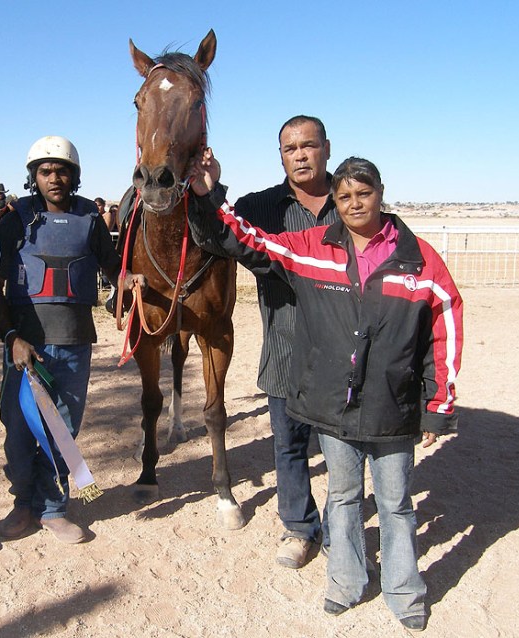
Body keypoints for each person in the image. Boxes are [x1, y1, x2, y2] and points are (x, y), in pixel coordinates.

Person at [187, 153, 463, 632]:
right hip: (335, 404)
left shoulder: (418, 260)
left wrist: (438, 406)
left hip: (392, 405)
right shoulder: (313, 248)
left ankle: (404, 591)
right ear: (335, 202)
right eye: (345, 196)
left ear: (380, 193)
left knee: (396, 502)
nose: (355, 204)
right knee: (343, 494)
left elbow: (445, 328)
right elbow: (248, 241)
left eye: (364, 193)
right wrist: (211, 193)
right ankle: (346, 582)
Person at [0, 136, 144, 544]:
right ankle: (23, 502)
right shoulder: (16, 219)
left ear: (74, 176)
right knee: (21, 428)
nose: (54, 178)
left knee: (63, 429)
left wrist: (132, 283)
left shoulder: (90, 219)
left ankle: (55, 508)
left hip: (75, 341)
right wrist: (10, 337)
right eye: (45, 171)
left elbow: (114, 269)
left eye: (62, 170)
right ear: (33, 177)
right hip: (25, 346)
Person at [234, 115, 339, 570]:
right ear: (280, 156)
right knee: (289, 446)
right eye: (289, 148)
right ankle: (299, 527)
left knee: (343, 452)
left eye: (308, 145)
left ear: (326, 148)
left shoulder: (353, 200)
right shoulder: (260, 207)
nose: (299, 154)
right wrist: (206, 190)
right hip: (285, 351)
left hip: (343, 358)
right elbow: (220, 235)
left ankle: (341, 531)